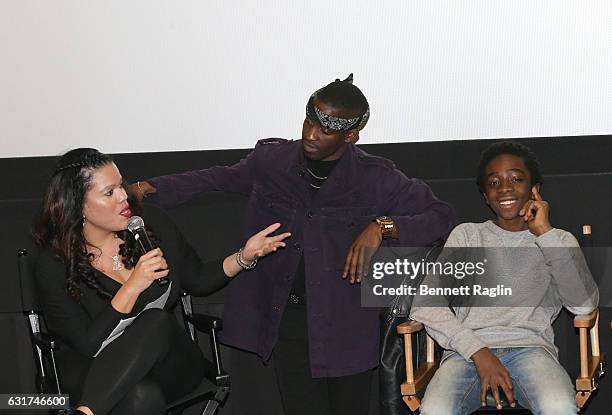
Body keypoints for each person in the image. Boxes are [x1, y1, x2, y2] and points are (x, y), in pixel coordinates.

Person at [132, 75, 455, 415]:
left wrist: (382, 227)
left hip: (347, 322)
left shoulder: (376, 177)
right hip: (288, 320)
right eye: (309, 120)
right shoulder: (274, 162)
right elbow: (215, 178)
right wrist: (148, 187)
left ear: (351, 135)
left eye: (325, 130)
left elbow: (441, 216)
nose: (311, 134)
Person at [33, 148, 290, 415]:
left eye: (120, 185)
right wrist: (134, 285)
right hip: (94, 366)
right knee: (141, 396)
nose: (123, 196)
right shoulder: (54, 264)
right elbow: (88, 345)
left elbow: (199, 280)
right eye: (109, 193)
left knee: (155, 320)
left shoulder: (151, 224)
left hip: (170, 364)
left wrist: (243, 257)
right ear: (78, 205)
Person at [410, 142, 599, 415]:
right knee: (436, 409)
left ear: (535, 188)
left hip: (531, 350)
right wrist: (479, 352)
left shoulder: (558, 240)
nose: (505, 188)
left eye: (516, 179)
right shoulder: (468, 236)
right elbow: (425, 304)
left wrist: (544, 233)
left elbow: (583, 306)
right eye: (494, 182)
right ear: (486, 196)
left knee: (559, 406)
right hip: (466, 354)